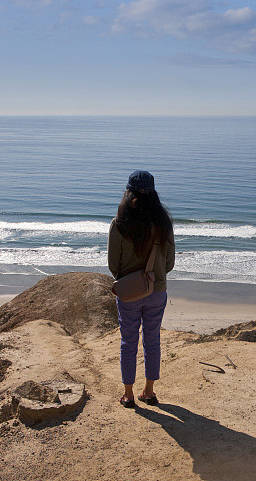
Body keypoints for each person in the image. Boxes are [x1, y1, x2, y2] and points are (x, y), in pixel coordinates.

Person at [107, 170, 175, 408]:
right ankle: (149, 391)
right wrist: (153, 276)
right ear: (154, 193)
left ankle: (128, 395)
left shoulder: (119, 225)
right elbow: (169, 264)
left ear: (128, 193)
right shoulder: (164, 223)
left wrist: (131, 276)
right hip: (157, 290)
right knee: (152, 340)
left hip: (129, 293)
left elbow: (113, 266)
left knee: (128, 341)